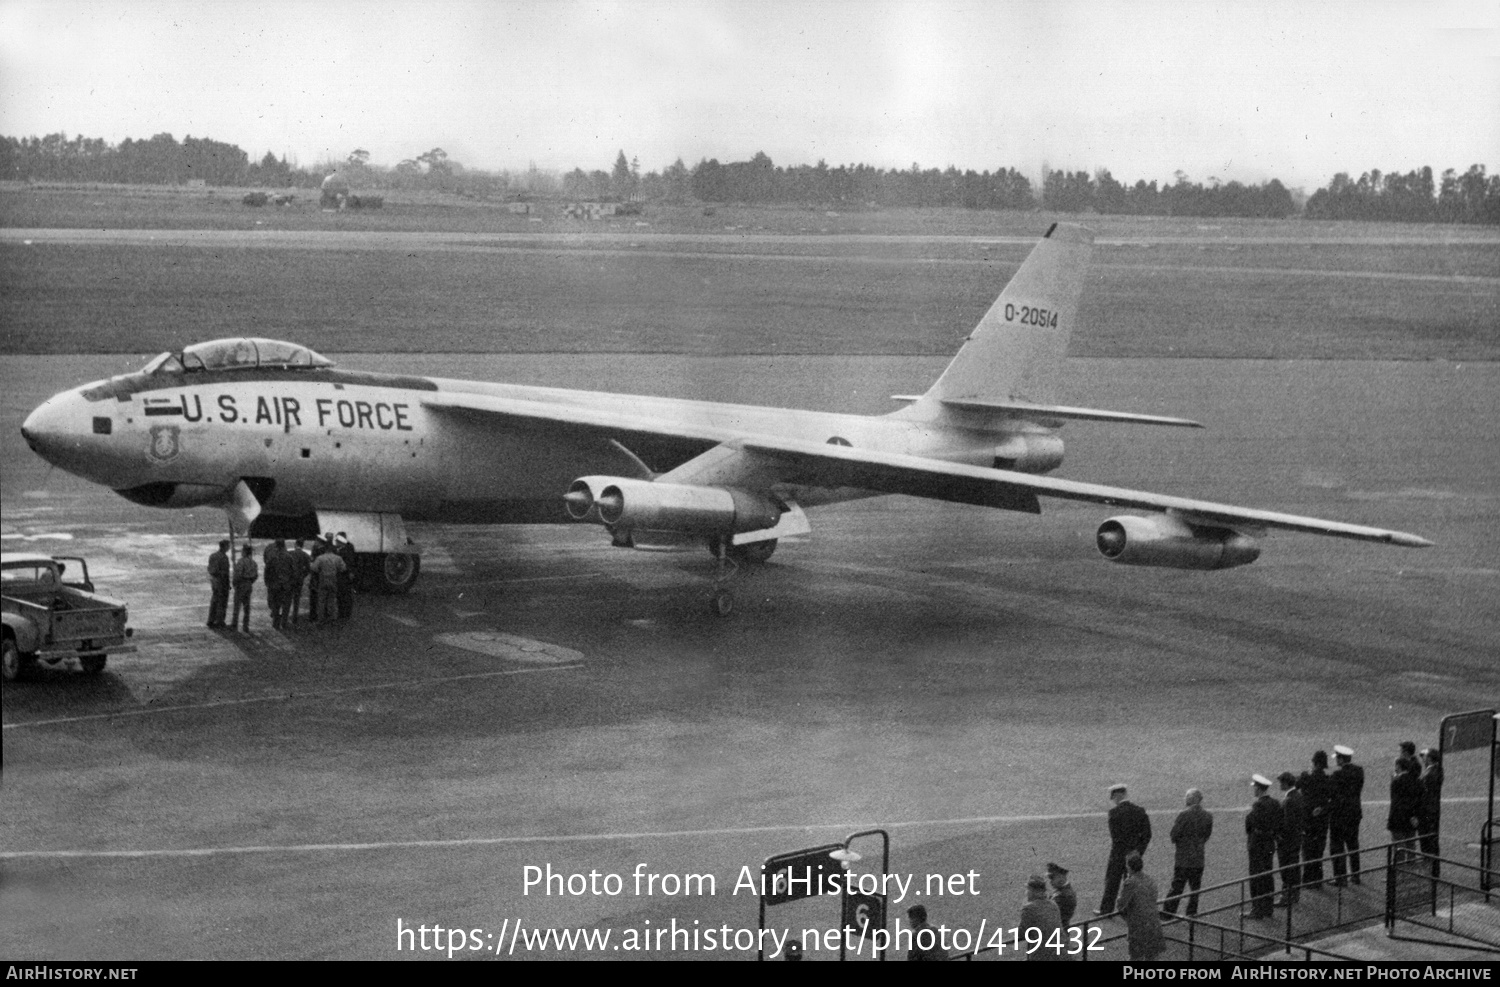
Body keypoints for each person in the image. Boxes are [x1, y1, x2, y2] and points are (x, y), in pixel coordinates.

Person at [1096, 784, 1152, 915]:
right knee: (1133, 882)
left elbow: (1116, 838)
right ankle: (1130, 909)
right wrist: (1138, 851)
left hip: (1118, 854)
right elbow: (1147, 835)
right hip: (1134, 854)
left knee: (1112, 882)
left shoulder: (1114, 813)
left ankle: (1106, 910)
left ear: (1117, 795)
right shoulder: (1140, 811)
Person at [1164, 788, 1212, 918]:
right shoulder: (1208, 815)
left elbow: (1174, 835)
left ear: (1192, 798)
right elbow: (1207, 835)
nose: (1185, 799)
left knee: (1177, 887)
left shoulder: (1184, 814)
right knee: (1195, 889)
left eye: (1187, 796)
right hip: (1198, 858)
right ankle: (1191, 913)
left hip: (1183, 858)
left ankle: (1168, 913)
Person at [1115, 852, 1165, 961]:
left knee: (1135, 957)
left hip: (1138, 926)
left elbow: (1121, 904)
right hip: (1153, 922)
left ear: (1129, 866)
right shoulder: (1149, 880)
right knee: (1151, 957)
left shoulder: (1130, 883)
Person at [1245, 774, 1281, 919]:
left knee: (1256, 877)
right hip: (1269, 844)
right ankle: (1267, 907)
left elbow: (1250, 825)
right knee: (1267, 875)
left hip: (1257, 845)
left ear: (1259, 789)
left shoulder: (1258, 805)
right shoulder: (1275, 803)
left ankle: (1257, 909)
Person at [1329, 744, 1365, 885]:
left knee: (1337, 846)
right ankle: (1355, 875)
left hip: (1339, 815)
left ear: (1341, 759)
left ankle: (1340, 877)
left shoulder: (1337, 775)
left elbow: (1331, 793)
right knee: (1353, 844)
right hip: (1354, 813)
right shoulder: (1359, 771)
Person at [1299, 750, 1333, 886]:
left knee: (1307, 849)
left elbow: (1296, 784)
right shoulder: (1328, 779)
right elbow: (1332, 799)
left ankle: (1308, 879)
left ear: (1315, 763)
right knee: (1319, 849)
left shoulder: (1307, 777)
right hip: (1322, 820)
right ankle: (1318, 878)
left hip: (1308, 819)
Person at [1276, 771, 1306, 906]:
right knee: (1294, 866)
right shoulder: (1298, 796)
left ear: (1286, 783)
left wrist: (1279, 836)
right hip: (1297, 838)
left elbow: (1287, 824)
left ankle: (1286, 896)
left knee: (1286, 868)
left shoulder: (1288, 800)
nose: (1280, 785)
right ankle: (1295, 894)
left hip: (1288, 841)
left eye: (1281, 782)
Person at [1019, 874, 1064, 961]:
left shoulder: (1029, 908)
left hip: (1042, 955)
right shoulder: (1053, 904)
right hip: (1061, 953)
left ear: (1032, 891)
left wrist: (1026, 904)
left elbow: (1021, 933)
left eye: (1027, 890)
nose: (1026, 893)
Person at [1387, 755, 1423, 849]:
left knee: (1399, 848)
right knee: (1411, 846)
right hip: (1412, 819)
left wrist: (1393, 781)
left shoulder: (1396, 781)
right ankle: (1411, 864)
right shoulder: (1417, 781)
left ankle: (1401, 864)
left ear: (1398, 766)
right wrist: (1414, 815)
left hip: (1398, 819)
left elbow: (1395, 801)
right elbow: (1419, 801)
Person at [1418, 748, 1444, 876]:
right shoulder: (1437, 770)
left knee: (1426, 842)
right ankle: (1434, 870)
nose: (1423, 758)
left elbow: (1424, 795)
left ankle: (1430, 871)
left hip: (1426, 812)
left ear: (1430, 758)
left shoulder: (1429, 775)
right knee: (1432, 841)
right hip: (1432, 810)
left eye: (1425, 756)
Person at [309, 545, 347, 624]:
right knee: (332, 599)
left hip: (323, 580)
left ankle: (320, 619)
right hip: (333, 580)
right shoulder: (338, 558)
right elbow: (343, 568)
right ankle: (332, 618)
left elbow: (314, 568)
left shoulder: (320, 558)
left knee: (321, 600)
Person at [263, 539, 294, 630]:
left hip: (275, 584)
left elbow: (267, 570)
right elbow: (293, 571)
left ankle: (276, 623)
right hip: (286, 584)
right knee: (286, 605)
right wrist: (291, 582)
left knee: (276, 604)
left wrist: (267, 582)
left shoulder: (272, 557)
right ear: (284, 546)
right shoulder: (289, 557)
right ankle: (284, 623)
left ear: (276, 546)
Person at [231, 543, 258, 632]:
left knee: (237, 606)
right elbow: (255, 576)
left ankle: (234, 625)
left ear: (244, 552)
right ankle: (245, 626)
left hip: (241, 584)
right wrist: (250, 582)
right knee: (247, 607)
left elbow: (237, 575)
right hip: (249, 584)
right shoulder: (253, 563)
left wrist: (235, 583)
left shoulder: (241, 562)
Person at [206, 539, 231, 628]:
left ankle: (211, 620)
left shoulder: (213, 555)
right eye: (228, 546)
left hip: (214, 580)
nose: (229, 547)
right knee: (222, 601)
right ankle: (220, 621)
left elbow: (209, 568)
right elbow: (225, 572)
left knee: (214, 600)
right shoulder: (224, 557)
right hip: (221, 580)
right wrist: (228, 584)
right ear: (224, 546)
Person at [288, 539, 312, 625]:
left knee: (288, 598)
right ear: (302, 545)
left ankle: (285, 616)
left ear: (295, 544)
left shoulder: (290, 554)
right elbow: (308, 569)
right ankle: (295, 618)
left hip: (291, 579)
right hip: (299, 579)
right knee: (297, 599)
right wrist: (303, 575)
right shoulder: (305, 555)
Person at [334, 532, 357, 621]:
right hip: (344, 573)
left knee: (344, 594)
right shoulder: (348, 547)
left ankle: (344, 614)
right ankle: (344, 613)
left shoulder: (346, 548)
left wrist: (350, 571)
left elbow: (350, 560)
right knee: (343, 594)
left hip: (344, 574)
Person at [1046, 862, 1077, 928]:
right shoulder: (1061, 890)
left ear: (1061, 877)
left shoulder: (1065, 895)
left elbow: (1050, 915)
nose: (1050, 881)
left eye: (1052, 878)